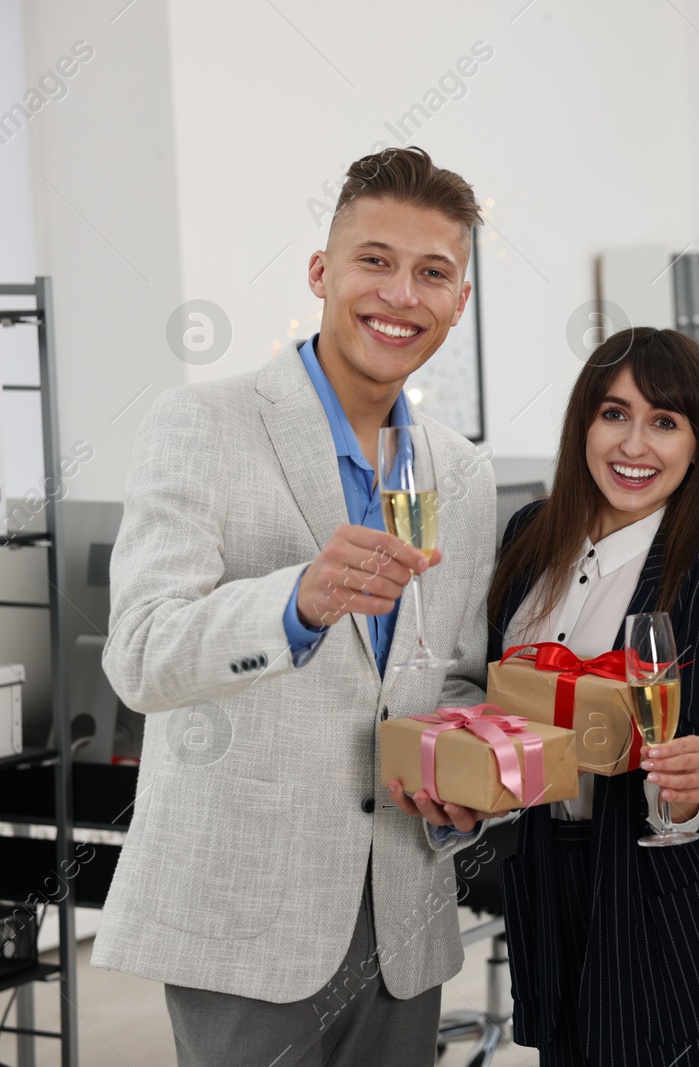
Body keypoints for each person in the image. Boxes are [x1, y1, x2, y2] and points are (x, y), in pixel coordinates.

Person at [96, 147, 501, 1066]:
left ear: (458, 299)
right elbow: (143, 653)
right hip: (247, 913)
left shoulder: (464, 474)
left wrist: (469, 777)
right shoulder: (203, 424)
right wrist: (296, 604)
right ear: (323, 272)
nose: (401, 293)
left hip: (403, 918)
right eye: (375, 260)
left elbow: (459, 676)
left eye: (433, 272)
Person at [491, 327, 699, 1066]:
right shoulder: (528, 537)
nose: (635, 444)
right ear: (582, 424)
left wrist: (690, 782)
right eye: (614, 413)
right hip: (553, 873)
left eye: (665, 422)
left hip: (670, 892)